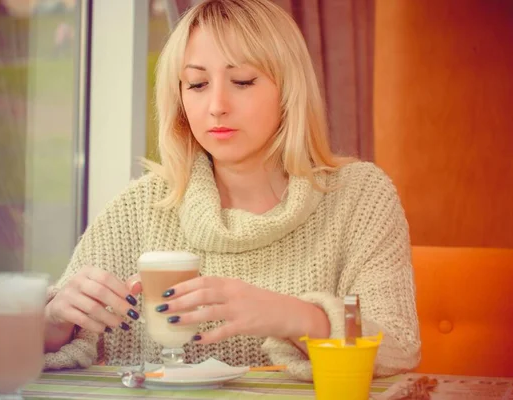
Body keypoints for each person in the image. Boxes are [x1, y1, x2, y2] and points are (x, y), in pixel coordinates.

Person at [42, 0, 420, 381]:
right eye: (197, 84)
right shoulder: (141, 205)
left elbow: (399, 347)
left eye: (242, 81)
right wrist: (55, 320)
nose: (217, 106)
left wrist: (295, 316)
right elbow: (37, 347)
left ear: (289, 89)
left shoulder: (360, 196)